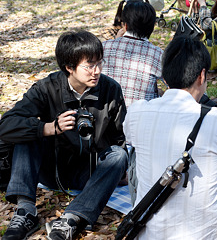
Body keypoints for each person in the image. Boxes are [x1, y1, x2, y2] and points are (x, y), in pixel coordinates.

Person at [0, 31, 128, 240]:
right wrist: (48, 128)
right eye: (89, 65)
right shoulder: (47, 88)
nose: (96, 71)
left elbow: (120, 139)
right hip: (51, 169)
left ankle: (72, 218)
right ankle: (25, 211)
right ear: (69, 67)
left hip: (89, 173)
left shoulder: (110, 89)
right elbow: (6, 125)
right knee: (28, 132)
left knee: (119, 156)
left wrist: (119, 169)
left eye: (99, 63)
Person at [123, 35, 217, 239]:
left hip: (149, 233)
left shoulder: (136, 112)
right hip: (209, 234)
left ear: (165, 77)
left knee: (135, 152)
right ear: (202, 75)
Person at [102, 0, 163, 107]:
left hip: (107, 116)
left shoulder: (104, 47)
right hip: (141, 118)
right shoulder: (157, 54)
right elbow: (174, 85)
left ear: (125, 25)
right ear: (152, 27)